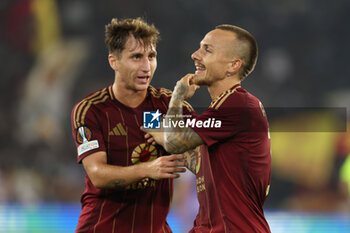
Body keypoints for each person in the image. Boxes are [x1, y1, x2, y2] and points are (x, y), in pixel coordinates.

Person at [70, 17, 195, 233]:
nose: (146, 67)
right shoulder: (91, 110)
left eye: (151, 56)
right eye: (136, 57)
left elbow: (203, 155)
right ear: (114, 61)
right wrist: (148, 169)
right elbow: (97, 174)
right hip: (103, 228)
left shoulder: (168, 104)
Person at [144, 24, 271, 232]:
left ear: (233, 65)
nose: (195, 55)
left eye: (207, 50)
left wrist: (177, 96)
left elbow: (174, 141)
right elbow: (195, 160)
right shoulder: (222, 112)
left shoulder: (237, 104)